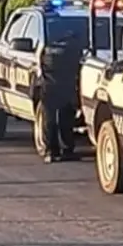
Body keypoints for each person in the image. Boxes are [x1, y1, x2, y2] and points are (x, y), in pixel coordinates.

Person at [36, 30, 87, 163]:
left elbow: (39, 67)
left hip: (49, 87)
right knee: (66, 119)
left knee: (50, 120)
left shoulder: (46, 45)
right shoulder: (76, 49)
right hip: (66, 88)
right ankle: (67, 150)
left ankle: (51, 152)